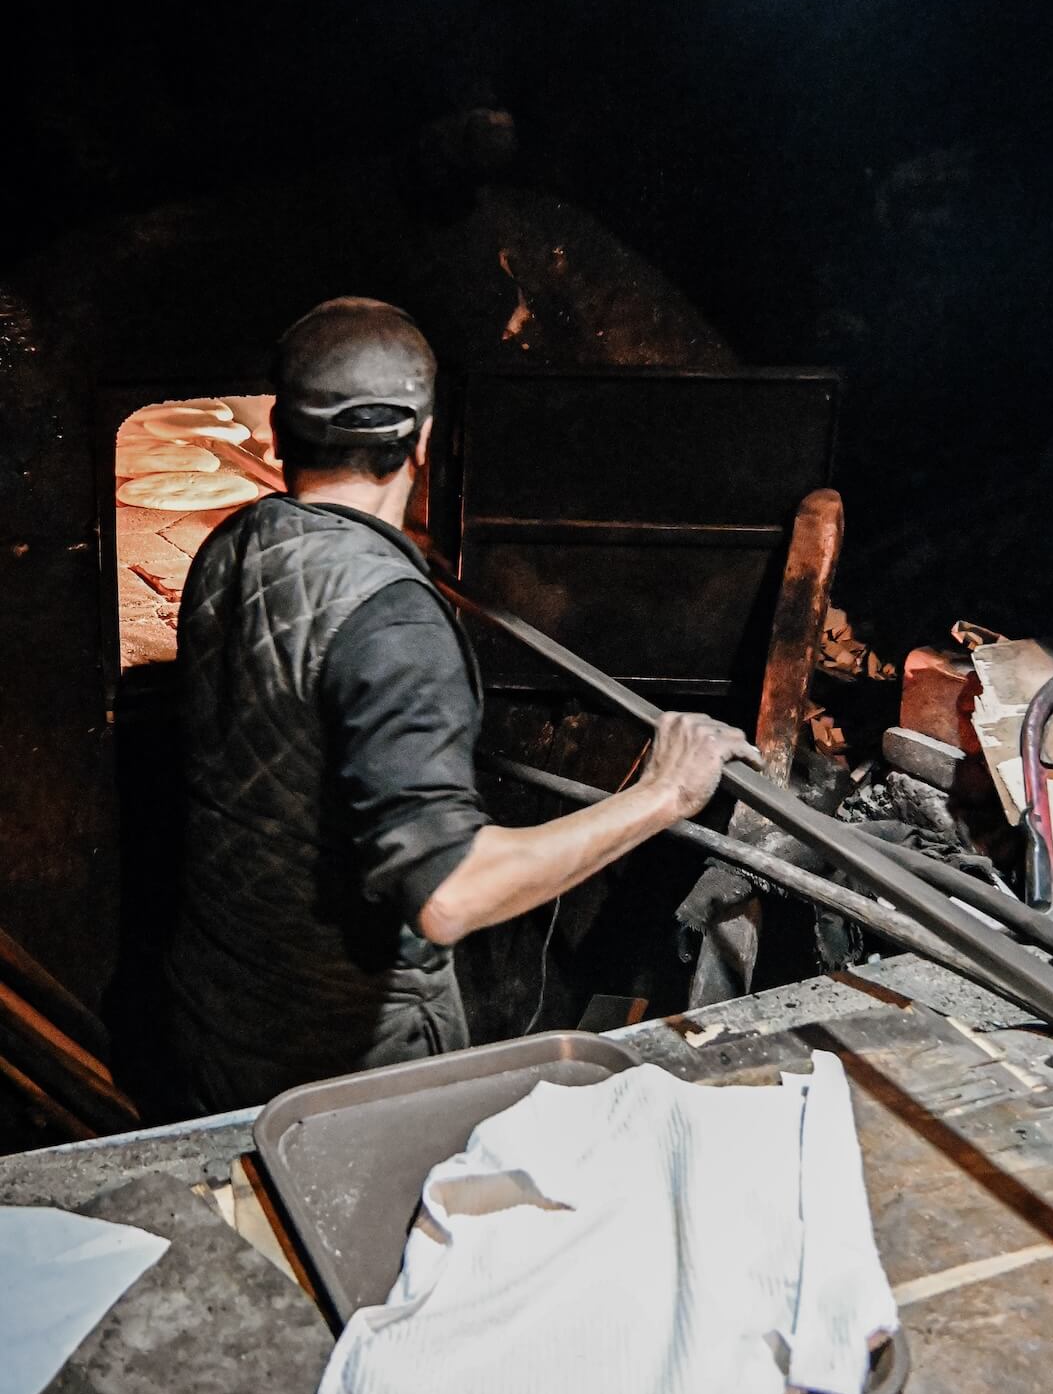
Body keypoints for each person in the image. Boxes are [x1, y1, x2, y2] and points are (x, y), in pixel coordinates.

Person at [166, 297, 756, 1111]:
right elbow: (452, 896)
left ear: (276, 430)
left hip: (215, 1013)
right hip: (343, 1071)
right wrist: (663, 794)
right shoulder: (394, 624)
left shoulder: (232, 543)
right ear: (423, 441)